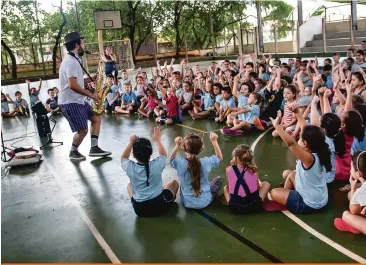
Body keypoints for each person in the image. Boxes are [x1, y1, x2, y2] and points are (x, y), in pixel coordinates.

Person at [58, 32, 111, 160]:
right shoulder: (71, 62)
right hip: (70, 101)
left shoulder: (74, 59)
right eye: (82, 43)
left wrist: (90, 79)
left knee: (96, 118)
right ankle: (73, 151)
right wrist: (92, 95)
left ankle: (94, 148)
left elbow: (75, 81)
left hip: (77, 100)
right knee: (82, 131)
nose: (84, 45)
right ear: (77, 44)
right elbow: (72, 85)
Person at [270, 112, 332, 213]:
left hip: (310, 204)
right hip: (319, 197)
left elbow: (290, 144)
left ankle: (287, 200)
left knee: (274, 192)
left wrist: (277, 126)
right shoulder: (319, 151)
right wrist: (297, 112)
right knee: (289, 173)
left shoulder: (309, 158)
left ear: (306, 143)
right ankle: (287, 196)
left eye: (300, 138)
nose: (298, 138)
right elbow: (305, 128)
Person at [121, 127, 179, 217]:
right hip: (159, 206)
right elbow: (163, 155)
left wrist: (131, 142)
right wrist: (157, 140)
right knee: (174, 183)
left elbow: (124, 157)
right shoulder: (157, 164)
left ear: (134, 155)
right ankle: (168, 199)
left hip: (139, 210)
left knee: (129, 186)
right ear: (151, 152)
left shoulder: (129, 167)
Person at [170, 132, 223, 209]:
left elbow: (172, 160)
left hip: (187, 202)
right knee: (217, 180)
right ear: (201, 148)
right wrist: (214, 141)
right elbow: (219, 158)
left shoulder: (180, 163)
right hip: (206, 201)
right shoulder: (206, 162)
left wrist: (176, 145)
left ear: (183, 147)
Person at [223, 144, 270, 214]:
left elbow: (229, 187)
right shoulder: (253, 169)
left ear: (235, 158)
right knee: (266, 184)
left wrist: (232, 166)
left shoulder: (228, 169)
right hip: (254, 206)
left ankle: (229, 202)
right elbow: (257, 188)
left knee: (225, 188)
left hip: (235, 207)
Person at [334, 151, 366, 235]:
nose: (350, 170)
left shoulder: (361, 191)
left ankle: (353, 226)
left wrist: (353, 187)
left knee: (346, 215)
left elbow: (354, 211)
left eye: (351, 167)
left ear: (358, 174)